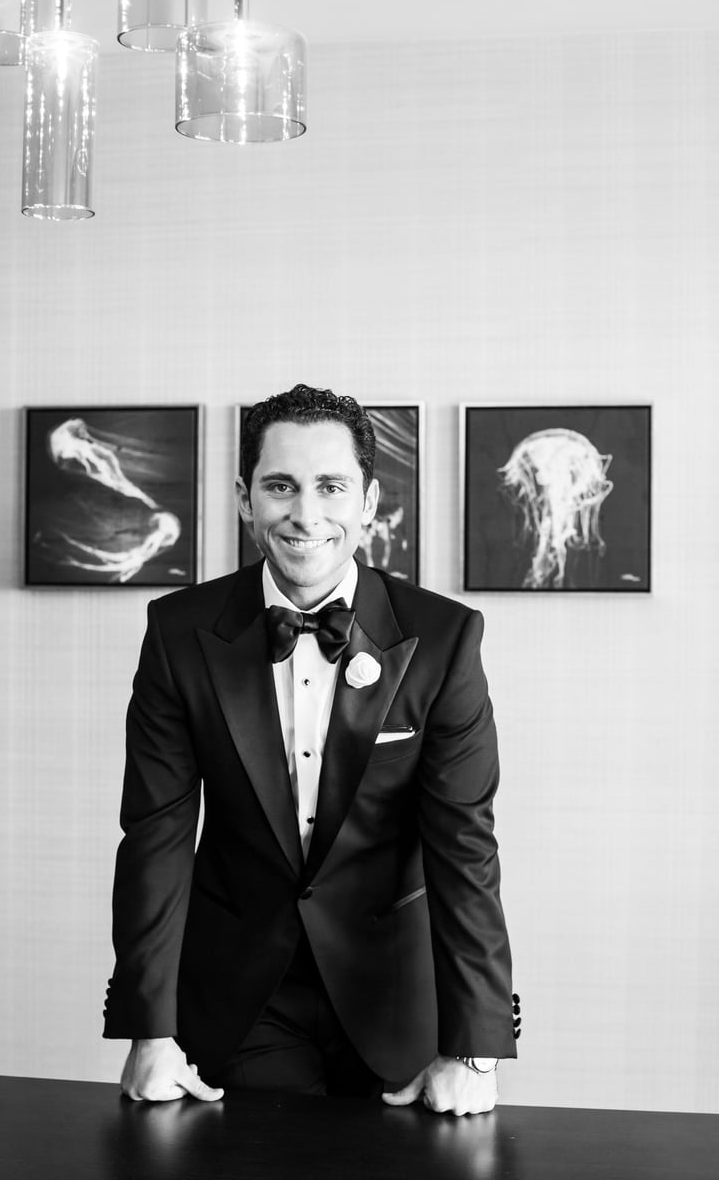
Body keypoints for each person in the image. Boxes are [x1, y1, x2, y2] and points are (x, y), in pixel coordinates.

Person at [103, 384, 518, 1114]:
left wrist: (474, 1050)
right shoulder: (178, 632)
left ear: (369, 501)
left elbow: (465, 846)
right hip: (242, 998)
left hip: (397, 993)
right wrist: (149, 1031)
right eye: (280, 486)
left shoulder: (445, 638)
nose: (306, 514)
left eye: (331, 486)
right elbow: (155, 836)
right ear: (245, 499)